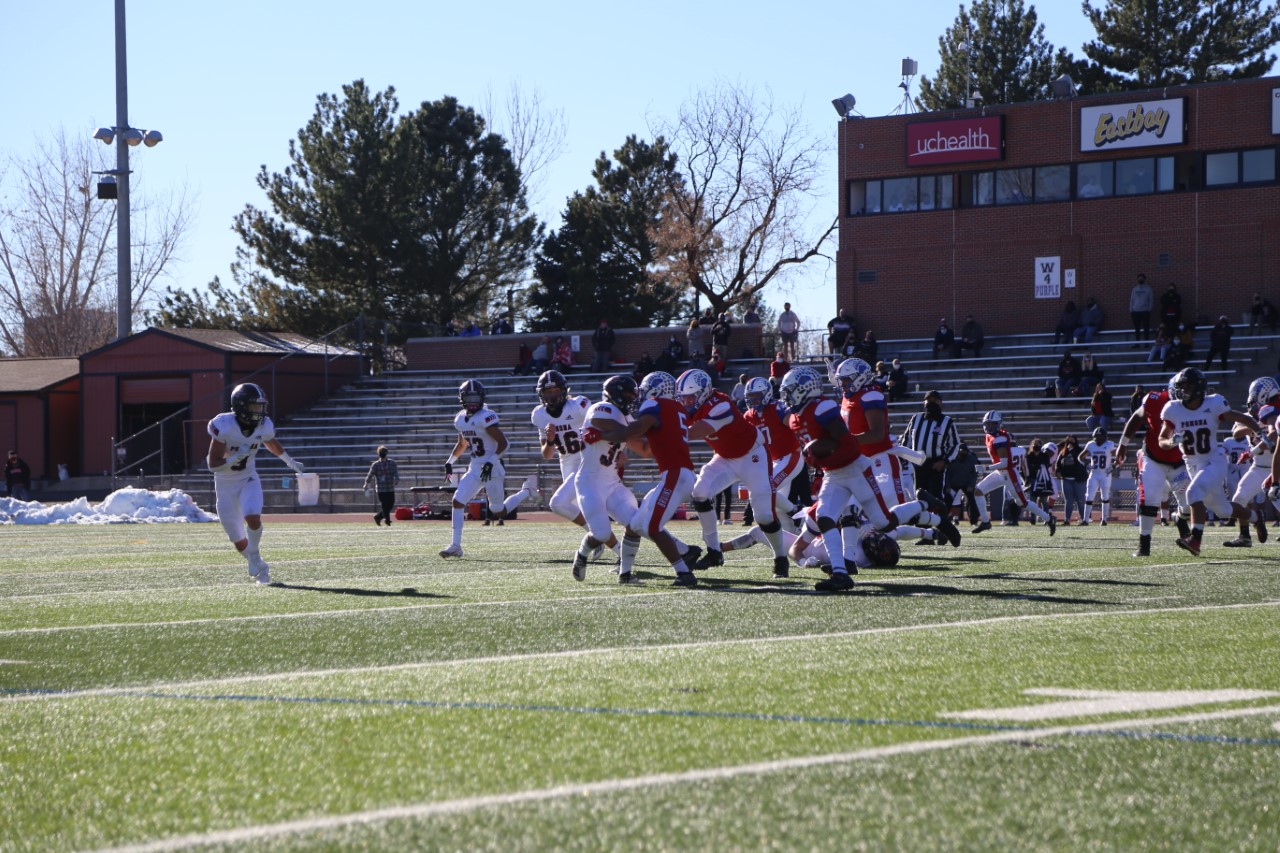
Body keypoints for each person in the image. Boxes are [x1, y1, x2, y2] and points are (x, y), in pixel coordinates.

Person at [779, 368, 953, 591]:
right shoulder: (796, 416)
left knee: (885, 523)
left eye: (791, 391)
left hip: (856, 469)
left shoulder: (822, 407)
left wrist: (816, 448)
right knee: (825, 518)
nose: (786, 396)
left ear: (805, 389)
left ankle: (926, 503)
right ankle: (841, 573)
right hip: (834, 473)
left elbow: (845, 442)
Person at [588, 371, 703, 586]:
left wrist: (601, 435)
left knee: (652, 527)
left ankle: (684, 573)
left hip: (676, 474)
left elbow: (633, 431)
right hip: (677, 474)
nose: (639, 396)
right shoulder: (676, 408)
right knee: (635, 524)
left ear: (656, 389)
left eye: (643, 390)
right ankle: (625, 573)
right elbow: (646, 441)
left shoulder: (654, 405)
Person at [678, 368, 792, 578]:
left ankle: (780, 558)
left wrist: (665, 434)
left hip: (752, 456)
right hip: (725, 457)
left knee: (764, 516)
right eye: (683, 398)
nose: (686, 402)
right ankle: (714, 551)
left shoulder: (720, 404)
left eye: (690, 397)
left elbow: (696, 431)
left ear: (703, 392)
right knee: (700, 493)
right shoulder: (693, 405)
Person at [206, 382, 306, 585]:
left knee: (252, 516)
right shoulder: (224, 426)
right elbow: (213, 465)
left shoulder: (263, 426)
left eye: (261, 406)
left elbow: (269, 441)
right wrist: (234, 458)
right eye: (254, 407)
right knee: (237, 539)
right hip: (225, 485)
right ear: (241, 407)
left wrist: (290, 461)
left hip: (248, 478)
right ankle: (259, 564)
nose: (259, 411)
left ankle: (254, 555)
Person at [1158, 367, 1259, 556]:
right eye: (1181, 386)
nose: (1183, 390)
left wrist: (1260, 432)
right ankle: (1255, 517)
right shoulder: (1173, 409)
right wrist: (1172, 441)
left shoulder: (1214, 403)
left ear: (1198, 386)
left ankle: (1195, 540)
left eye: (1187, 385)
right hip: (1193, 465)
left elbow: (1242, 417)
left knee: (1193, 492)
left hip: (1215, 461)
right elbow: (1161, 440)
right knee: (1223, 510)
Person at [438, 380, 537, 559]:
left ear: (482, 398)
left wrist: (491, 461)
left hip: (492, 468)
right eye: (469, 397)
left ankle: (526, 491)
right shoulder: (461, 418)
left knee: (498, 510)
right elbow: (462, 443)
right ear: (462, 399)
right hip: (475, 467)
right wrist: (450, 461)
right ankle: (455, 546)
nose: (473, 401)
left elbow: (504, 444)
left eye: (476, 397)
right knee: (457, 501)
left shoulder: (486, 416)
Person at [569, 375, 643, 580]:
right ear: (616, 395)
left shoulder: (627, 418)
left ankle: (625, 573)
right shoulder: (602, 408)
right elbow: (619, 431)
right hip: (589, 481)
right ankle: (582, 554)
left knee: (636, 523)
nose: (631, 400)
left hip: (611, 482)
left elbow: (634, 438)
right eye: (628, 395)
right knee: (601, 534)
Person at [1114, 383, 1193, 557]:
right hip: (1153, 457)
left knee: (1188, 504)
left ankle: (1179, 519)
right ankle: (1144, 544)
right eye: (1185, 389)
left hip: (1180, 460)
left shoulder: (1198, 405)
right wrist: (1123, 444)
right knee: (1149, 498)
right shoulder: (1154, 399)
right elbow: (1136, 418)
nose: (1188, 393)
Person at [531, 370, 595, 549]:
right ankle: (608, 543)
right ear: (541, 394)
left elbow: (600, 422)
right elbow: (547, 454)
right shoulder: (539, 415)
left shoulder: (578, 406)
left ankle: (597, 536)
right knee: (582, 509)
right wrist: (550, 439)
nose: (552, 396)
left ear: (564, 390)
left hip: (585, 460)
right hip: (566, 463)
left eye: (555, 391)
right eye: (548, 392)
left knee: (558, 503)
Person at [970, 411, 1056, 534]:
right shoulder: (991, 436)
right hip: (1000, 472)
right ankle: (985, 522)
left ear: (999, 424)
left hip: (1009, 473)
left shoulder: (999, 439)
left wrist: (985, 468)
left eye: (993, 424)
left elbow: (1005, 463)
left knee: (1022, 502)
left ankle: (1049, 518)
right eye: (987, 424)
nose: (989, 427)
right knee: (978, 491)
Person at [1224, 377, 1280, 547]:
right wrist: (1255, 426)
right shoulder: (1250, 416)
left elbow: (1273, 436)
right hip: (1258, 467)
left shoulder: (1274, 412)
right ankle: (1245, 536)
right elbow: (1236, 434)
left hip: (1276, 466)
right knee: (1238, 498)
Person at [898, 389, 960, 503]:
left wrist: (945, 461)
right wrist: (903, 458)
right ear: (924, 402)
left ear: (941, 402)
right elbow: (906, 440)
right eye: (929, 400)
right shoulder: (916, 418)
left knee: (936, 496)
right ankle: (923, 520)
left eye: (935, 400)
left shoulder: (947, 422)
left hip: (936, 464)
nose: (932, 402)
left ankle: (940, 520)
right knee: (918, 495)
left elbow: (955, 444)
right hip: (917, 463)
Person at [1079, 427, 1116, 525]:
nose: (1099, 439)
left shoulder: (1109, 445)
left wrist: (1114, 466)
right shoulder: (1090, 445)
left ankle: (1104, 520)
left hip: (1105, 474)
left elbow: (1121, 456)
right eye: (1097, 437)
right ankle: (1085, 520)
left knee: (1105, 497)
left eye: (1100, 437)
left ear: (1105, 437)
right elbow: (1080, 457)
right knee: (1089, 497)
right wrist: (1086, 464)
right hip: (1094, 474)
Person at [1053, 435, 1088, 525]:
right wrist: (1058, 471)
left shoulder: (1080, 451)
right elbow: (1058, 463)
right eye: (1068, 441)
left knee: (1080, 500)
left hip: (1079, 480)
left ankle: (1084, 519)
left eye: (1072, 441)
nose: (1070, 443)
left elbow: (1082, 462)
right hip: (1066, 479)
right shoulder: (1063, 452)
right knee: (1068, 501)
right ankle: (1067, 519)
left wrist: (1072, 451)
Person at [363, 445, 401, 527]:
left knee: (390, 504)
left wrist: (397, 479)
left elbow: (396, 473)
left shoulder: (392, 463)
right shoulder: (375, 465)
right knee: (384, 504)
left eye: (383, 452)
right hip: (381, 489)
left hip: (390, 487)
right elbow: (370, 475)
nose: (382, 454)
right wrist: (366, 483)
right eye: (381, 452)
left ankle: (378, 517)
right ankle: (387, 520)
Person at [946, 442, 980, 525]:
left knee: (972, 501)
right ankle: (944, 520)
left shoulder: (971, 458)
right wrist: (947, 486)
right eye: (961, 452)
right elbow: (947, 473)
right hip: (953, 483)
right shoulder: (951, 458)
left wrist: (971, 485)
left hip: (966, 483)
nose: (963, 454)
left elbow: (974, 473)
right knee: (947, 501)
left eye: (965, 452)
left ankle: (974, 520)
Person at [1130, 273, 1153, 343]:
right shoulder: (1134, 289)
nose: (1140, 279)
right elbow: (1131, 300)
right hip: (1135, 311)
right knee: (1137, 328)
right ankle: (1137, 343)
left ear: (1144, 279)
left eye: (1142, 278)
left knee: (1146, 328)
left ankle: (1146, 343)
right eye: (1139, 278)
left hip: (1145, 311)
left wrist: (1149, 309)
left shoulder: (1148, 289)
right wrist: (1131, 309)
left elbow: (1151, 300)